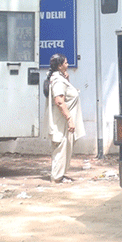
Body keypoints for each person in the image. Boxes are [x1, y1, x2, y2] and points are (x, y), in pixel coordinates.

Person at [47, 53, 85, 183]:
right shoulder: (57, 80)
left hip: (64, 121)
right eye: (66, 63)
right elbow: (59, 101)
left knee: (65, 147)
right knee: (61, 147)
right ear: (59, 66)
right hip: (61, 122)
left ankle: (60, 175)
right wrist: (69, 119)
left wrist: (67, 80)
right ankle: (57, 177)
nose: (68, 65)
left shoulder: (61, 79)